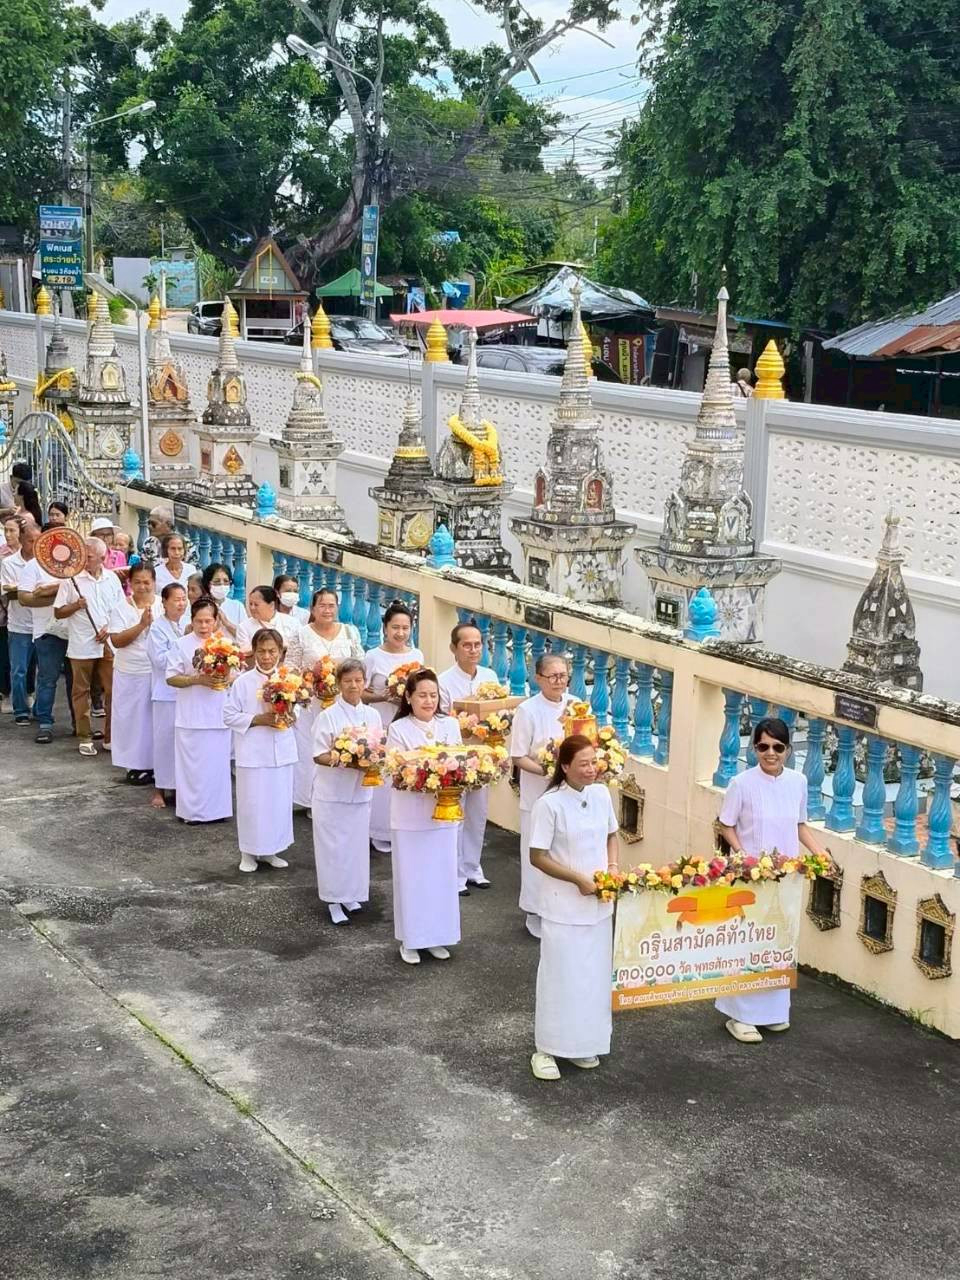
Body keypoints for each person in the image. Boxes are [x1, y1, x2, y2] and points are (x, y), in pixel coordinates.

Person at [716, 716, 829, 1044]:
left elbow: (800, 824)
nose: (770, 753)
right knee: (749, 942)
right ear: (754, 749)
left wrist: (820, 854)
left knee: (779, 941)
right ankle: (740, 1016)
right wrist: (743, 854)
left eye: (777, 747)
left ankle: (773, 1013)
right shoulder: (741, 783)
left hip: (787, 876)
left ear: (788, 750)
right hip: (752, 876)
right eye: (763, 746)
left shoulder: (798, 781)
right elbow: (726, 824)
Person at [528, 735, 620, 1082]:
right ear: (564, 767)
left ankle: (583, 1044)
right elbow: (537, 856)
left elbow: (612, 835)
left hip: (598, 906)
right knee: (560, 976)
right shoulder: (549, 805)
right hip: (562, 907)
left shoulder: (600, 794)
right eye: (582, 763)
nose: (590, 769)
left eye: (593, 761)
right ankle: (546, 1049)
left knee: (591, 978)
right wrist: (576, 879)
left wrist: (612, 868)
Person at [385, 668, 462, 965]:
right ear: (409, 697)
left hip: (443, 812)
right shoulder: (399, 729)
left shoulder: (450, 725)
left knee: (440, 876)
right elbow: (394, 771)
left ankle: (437, 936)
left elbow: (460, 763)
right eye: (422, 695)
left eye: (433, 695)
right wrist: (423, 771)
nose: (429, 701)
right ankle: (411, 940)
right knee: (412, 877)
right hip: (410, 815)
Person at [311, 658, 383, 925]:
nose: (354, 685)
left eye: (358, 680)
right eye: (348, 681)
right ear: (339, 683)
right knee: (333, 848)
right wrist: (347, 759)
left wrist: (369, 761)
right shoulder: (327, 716)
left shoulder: (373, 715)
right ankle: (332, 900)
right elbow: (318, 754)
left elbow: (378, 749)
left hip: (360, 792)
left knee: (354, 847)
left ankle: (351, 894)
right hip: (332, 793)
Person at [223, 628, 298, 873]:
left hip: (282, 751)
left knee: (278, 803)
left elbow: (300, 713)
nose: (267, 656)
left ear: (280, 653)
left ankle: (271, 850)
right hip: (253, 753)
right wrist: (258, 719)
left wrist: (289, 715)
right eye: (262, 651)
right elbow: (229, 715)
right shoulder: (243, 682)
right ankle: (248, 852)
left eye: (272, 651)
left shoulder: (290, 680)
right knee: (252, 803)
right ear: (253, 653)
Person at [511, 652, 573, 938]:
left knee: (563, 850)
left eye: (563, 675)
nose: (559, 681)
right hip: (538, 791)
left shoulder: (575, 706)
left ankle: (560, 908)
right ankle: (534, 910)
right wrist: (547, 770)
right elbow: (518, 756)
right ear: (539, 678)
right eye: (553, 676)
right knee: (536, 851)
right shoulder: (528, 710)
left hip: (568, 792)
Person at [287, 588, 364, 810]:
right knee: (310, 746)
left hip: (343, 701)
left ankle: (340, 795)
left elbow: (359, 664)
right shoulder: (301, 634)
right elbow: (291, 668)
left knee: (342, 743)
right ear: (312, 608)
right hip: (312, 702)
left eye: (332, 605)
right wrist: (312, 678)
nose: (327, 610)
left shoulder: (350, 632)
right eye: (322, 605)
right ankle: (309, 799)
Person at [438, 620, 500, 894]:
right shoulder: (444, 681)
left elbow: (499, 712)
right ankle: (455, 872)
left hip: (484, 754)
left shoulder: (490, 676)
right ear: (454, 648)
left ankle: (473, 867)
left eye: (477, 645)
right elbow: (441, 720)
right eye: (467, 645)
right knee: (457, 813)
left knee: (478, 812)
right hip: (457, 755)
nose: (473, 650)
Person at [164, 596, 233, 823]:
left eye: (208, 621)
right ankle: (192, 812)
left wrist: (226, 676)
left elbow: (236, 677)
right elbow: (171, 678)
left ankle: (218, 810)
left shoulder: (225, 645)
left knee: (216, 767)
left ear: (216, 621)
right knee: (193, 768)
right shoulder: (181, 644)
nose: (204, 627)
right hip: (191, 716)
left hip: (218, 715)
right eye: (199, 621)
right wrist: (197, 680)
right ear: (192, 621)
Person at [54, 536, 125, 756]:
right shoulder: (71, 579)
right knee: (81, 691)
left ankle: (110, 736)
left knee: (113, 690)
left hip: (106, 642)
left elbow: (120, 610)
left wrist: (110, 630)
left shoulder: (112, 579)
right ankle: (84, 736)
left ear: (103, 558)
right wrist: (76, 605)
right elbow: (58, 612)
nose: (85, 560)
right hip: (81, 643)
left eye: (90, 556)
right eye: (83, 555)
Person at [363, 602, 424, 853]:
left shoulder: (416, 656)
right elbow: (362, 693)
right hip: (382, 721)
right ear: (385, 628)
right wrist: (386, 696)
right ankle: (379, 830)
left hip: (407, 722)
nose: (400, 633)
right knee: (383, 776)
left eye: (405, 628)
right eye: (395, 627)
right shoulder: (373, 657)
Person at [17, 525, 74, 744]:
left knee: (75, 681)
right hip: (46, 631)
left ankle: (79, 724)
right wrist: (58, 596)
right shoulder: (33, 566)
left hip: (74, 630)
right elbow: (24, 598)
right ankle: (45, 723)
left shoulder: (72, 563)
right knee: (47, 679)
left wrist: (49, 591)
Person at [108, 563, 162, 785]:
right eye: (137, 582)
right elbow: (116, 640)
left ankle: (156, 763)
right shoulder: (121, 608)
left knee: (155, 718)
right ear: (130, 583)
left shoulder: (163, 604)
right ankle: (134, 764)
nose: (142, 586)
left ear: (154, 582)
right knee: (132, 719)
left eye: (147, 582)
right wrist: (141, 625)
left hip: (157, 670)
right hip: (130, 670)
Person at [147, 583, 187, 809]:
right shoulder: (157, 628)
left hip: (187, 693)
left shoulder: (188, 624)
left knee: (183, 743)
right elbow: (160, 660)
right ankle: (159, 788)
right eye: (176, 599)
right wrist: (183, 647)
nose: (181, 603)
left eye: (183, 599)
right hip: (165, 693)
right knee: (164, 741)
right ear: (164, 602)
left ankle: (182, 787)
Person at [0, 518, 38, 725]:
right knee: (19, 670)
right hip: (19, 624)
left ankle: (39, 708)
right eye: (31, 541)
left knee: (42, 673)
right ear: (22, 540)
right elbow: (9, 594)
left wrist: (23, 590)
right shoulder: (9, 563)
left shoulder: (44, 562)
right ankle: (20, 710)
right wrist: (35, 592)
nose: (35, 545)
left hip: (42, 625)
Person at [236, 585, 300, 653]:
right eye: (250, 604)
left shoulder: (293, 623)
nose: (252, 608)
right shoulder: (243, 627)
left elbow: (299, 647)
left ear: (272, 605)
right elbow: (245, 652)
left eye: (256, 604)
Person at [201, 563, 245, 639]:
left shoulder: (237, 606)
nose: (222, 584)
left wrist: (227, 623)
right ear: (208, 584)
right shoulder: (200, 606)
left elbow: (245, 636)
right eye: (217, 581)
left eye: (226, 581)